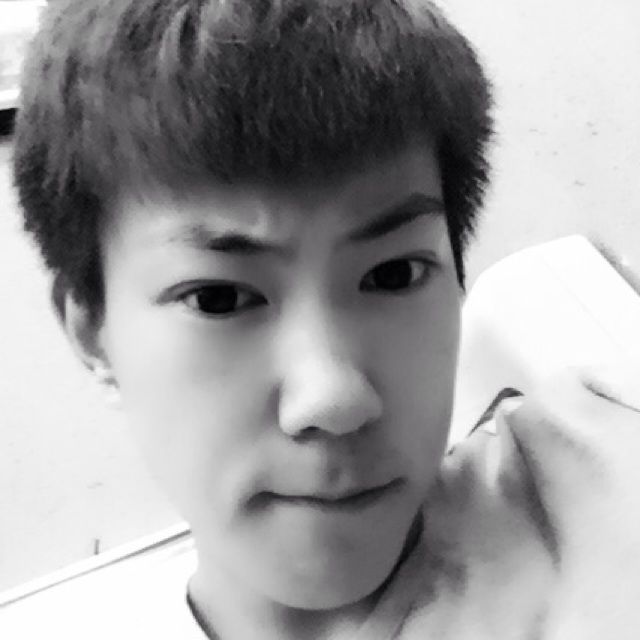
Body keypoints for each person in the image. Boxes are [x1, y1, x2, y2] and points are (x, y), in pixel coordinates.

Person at [10, 0, 640, 638]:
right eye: (218, 299)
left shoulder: (604, 494)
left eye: (394, 275)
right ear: (92, 335)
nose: (333, 398)